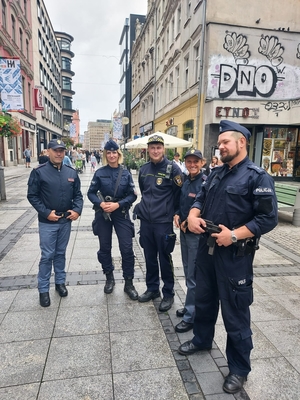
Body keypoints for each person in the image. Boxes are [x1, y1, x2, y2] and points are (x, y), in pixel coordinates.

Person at [178, 120, 278, 394]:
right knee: (204, 300)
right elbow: (200, 198)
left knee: (235, 313)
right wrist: (193, 214)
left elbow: (268, 219)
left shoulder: (257, 177)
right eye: (219, 143)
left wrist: (233, 235)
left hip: (235, 256)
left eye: (225, 142)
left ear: (242, 142)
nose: (219, 147)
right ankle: (201, 340)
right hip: (207, 251)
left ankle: (238, 369)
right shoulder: (217, 173)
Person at [27, 139, 83, 307]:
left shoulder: (71, 172)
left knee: (60, 254)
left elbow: (78, 195)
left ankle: (60, 283)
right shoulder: (39, 172)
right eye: (55, 150)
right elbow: (32, 196)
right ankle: (43, 289)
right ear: (48, 151)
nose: (59, 153)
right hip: (47, 222)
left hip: (65, 221)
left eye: (61, 150)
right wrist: (46, 213)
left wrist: (77, 210)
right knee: (47, 256)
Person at [135, 134, 183, 312]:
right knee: (149, 258)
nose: (155, 151)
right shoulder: (144, 169)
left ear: (164, 149)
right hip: (146, 222)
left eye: (158, 147)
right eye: (152, 147)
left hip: (163, 222)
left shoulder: (173, 169)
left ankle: (168, 293)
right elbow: (143, 190)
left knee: (164, 258)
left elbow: (179, 195)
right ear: (148, 149)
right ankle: (153, 289)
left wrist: (175, 212)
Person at [87, 139, 138, 300]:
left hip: (120, 213)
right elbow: (91, 193)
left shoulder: (126, 172)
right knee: (104, 248)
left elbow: (132, 195)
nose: (111, 155)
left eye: (114, 152)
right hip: (103, 215)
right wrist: (101, 203)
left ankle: (128, 282)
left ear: (118, 154)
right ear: (105, 155)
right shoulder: (99, 173)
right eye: (108, 153)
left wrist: (118, 204)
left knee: (127, 248)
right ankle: (109, 277)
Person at [173, 149, 206, 333]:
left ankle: (191, 316)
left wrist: (187, 222)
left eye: (196, 161)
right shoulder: (186, 181)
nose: (192, 165)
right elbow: (181, 203)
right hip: (184, 233)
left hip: (196, 235)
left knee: (193, 276)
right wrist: (177, 214)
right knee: (187, 271)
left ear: (202, 163)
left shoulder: (204, 183)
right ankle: (189, 306)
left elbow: (205, 208)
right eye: (189, 161)